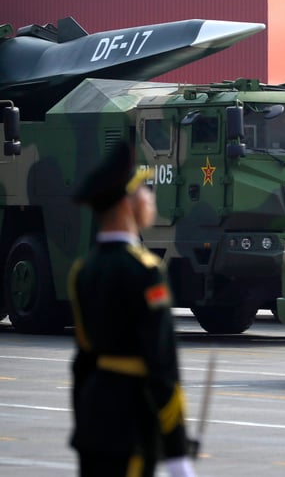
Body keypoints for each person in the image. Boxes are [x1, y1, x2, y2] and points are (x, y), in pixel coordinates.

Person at [68, 141, 197, 477]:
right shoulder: (144, 270)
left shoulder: (83, 270)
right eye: (146, 190)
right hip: (131, 423)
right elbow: (162, 366)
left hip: (93, 424)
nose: (151, 199)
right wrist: (177, 452)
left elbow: (82, 362)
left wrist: (85, 420)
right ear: (127, 203)